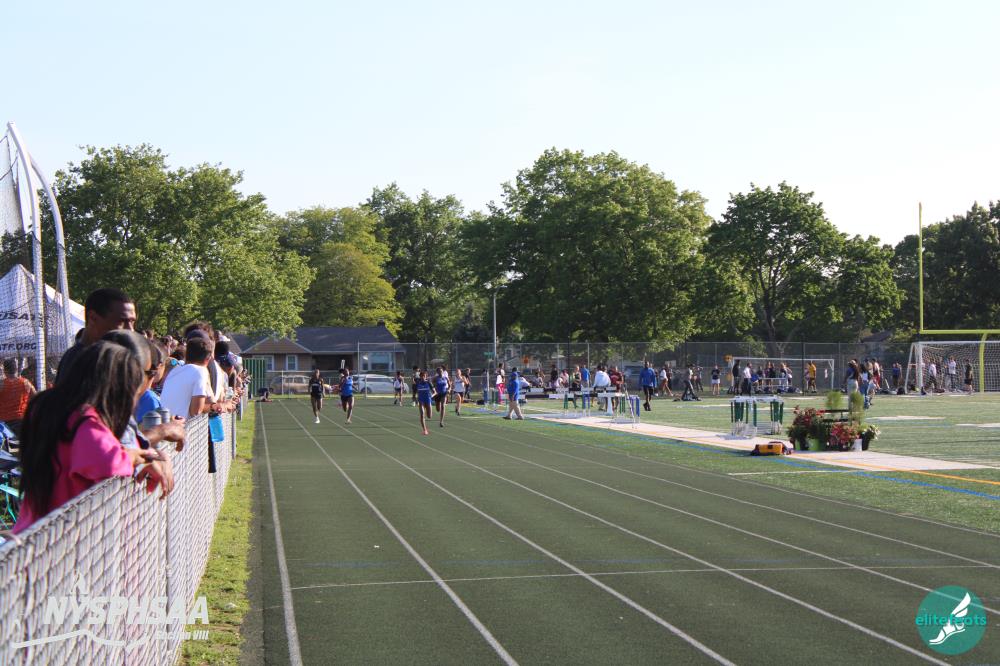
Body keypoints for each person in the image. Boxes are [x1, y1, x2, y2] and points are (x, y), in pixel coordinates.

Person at [13, 341, 171, 534]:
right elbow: (109, 462)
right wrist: (135, 456)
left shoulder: (50, 408)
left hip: (35, 530)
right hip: (58, 536)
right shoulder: (86, 421)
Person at [56, 288, 137, 382]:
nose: (130, 329)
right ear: (93, 318)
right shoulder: (82, 362)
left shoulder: (110, 357)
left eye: (132, 321)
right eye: (122, 321)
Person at [160, 336, 216, 419]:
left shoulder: (175, 371)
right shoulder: (201, 371)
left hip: (166, 422)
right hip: (181, 425)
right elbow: (196, 412)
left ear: (186, 355)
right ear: (208, 359)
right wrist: (213, 407)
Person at [0, 358, 36, 436]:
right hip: (21, 420)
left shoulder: (1, 384)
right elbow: (36, 398)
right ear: (16, 369)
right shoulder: (26, 382)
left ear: (5, 371)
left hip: (4, 423)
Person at [414, 370, 433, 435]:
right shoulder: (418, 383)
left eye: (424, 376)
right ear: (420, 376)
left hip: (428, 400)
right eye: (422, 376)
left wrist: (431, 396)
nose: (423, 377)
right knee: (422, 414)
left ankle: (428, 411)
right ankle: (425, 430)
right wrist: (416, 399)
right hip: (421, 400)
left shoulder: (429, 383)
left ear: (426, 376)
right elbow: (415, 392)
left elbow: (435, 392)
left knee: (429, 416)